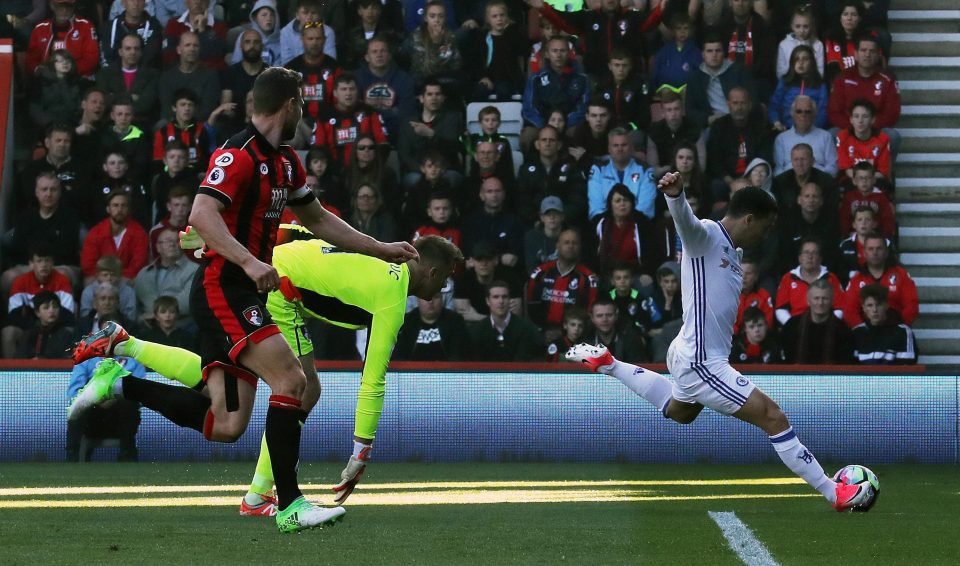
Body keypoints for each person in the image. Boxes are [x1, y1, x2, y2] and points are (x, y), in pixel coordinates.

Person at [68, 67, 418, 533]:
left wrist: (380, 247)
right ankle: (291, 506)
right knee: (293, 381)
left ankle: (119, 383)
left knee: (227, 424)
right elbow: (201, 213)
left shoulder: (287, 162)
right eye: (302, 106)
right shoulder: (238, 155)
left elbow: (318, 219)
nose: (305, 115)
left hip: (242, 289)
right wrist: (251, 263)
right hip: (223, 286)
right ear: (290, 104)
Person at [73, 230, 459, 507]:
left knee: (230, 387)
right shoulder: (393, 297)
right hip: (269, 290)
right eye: (445, 281)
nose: (442, 290)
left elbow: (305, 233)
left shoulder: (381, 256)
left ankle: (127, 346)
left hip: (270, 282)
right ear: (432, 273)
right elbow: (372, 379)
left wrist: (218, 240)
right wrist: (361, 450)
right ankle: (262, 494)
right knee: (278, 394)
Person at [566, 175, 857, 511]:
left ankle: (609, 364)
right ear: (750, 219)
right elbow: (686, 225)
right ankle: (833, 492)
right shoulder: (706, 235)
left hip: (690, 351)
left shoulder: (734, 249)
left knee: (681, 412)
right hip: (703, 361)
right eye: (767, 224)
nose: (768, 232)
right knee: (774, 417)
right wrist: (676, 196)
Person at [3, 244, 76, 358]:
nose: (44, 265)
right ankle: (11, 372)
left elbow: (67, 314)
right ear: (31, 264)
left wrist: (47, 325)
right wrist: (38, 327)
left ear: (52, 263)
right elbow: (14, 316)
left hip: (56, 329)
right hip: (28, 329)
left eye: (47, 260)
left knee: (69, 332)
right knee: (9, 332)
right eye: (39, 261)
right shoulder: (20, 282)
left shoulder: (62, 280)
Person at [66, 356, 144, 462]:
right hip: (91, 418)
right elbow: (74, 393)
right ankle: (72, 457)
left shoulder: (133, 361)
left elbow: (140, 393)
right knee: (77, 407)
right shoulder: (85, 360)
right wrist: (96, 399)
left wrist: (113, 398)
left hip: (120, 418)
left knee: (129, 404)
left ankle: (127, 456)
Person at [526, 228, 599, 338]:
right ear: (558, 245)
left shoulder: (588, 278)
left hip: (574, 337)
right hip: (540, 334)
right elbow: (531, 308)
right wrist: (542, 331)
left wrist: (565, 333)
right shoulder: (540, 273)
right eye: (566, 242)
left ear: (580, 247)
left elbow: (588, 315)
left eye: (574, 243)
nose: (570, 246)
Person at [844, 234, 918, 328]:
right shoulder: (856, 279)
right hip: (867, 334)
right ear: (864, 253)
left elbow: (911, 304)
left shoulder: (901, 275)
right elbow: (850, 310)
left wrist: (900, 327)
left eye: (879, 248)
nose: (875, 252)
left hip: (896, 330)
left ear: (886, 252)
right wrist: (862, 331)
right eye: (871, 249)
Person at [516, 126, 586, 226]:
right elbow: (522, 201)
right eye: (544, 140)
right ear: (537, 144)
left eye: (552, 140)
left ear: (559, 145)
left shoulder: (571, 169)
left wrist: (560, 219)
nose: (547, 143)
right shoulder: (525, 171)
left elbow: (577, 200)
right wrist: (538, 220)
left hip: (565, 224)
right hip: (535, 225)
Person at [684, 34, 756, 130]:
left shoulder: (739, 71)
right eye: (709, 51)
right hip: (711, 125)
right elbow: (690, 111)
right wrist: (708, 119)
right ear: (703, 55)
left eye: (718, 51)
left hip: (739, 122)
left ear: (724, 53)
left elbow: (753, 101)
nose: (714, 55)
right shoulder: (695, 78)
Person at [587, 128, 657, 222]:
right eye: (615, 145)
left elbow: (646, 208)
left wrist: (626, 226)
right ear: (609, 149)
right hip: (606, 226)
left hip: (638, 225)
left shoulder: (645, 170)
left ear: (631, 147)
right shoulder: (598, 170)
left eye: (624, 145)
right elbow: (596, 207)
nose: (620, 149)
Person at [134, 227, 199, 324]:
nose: (172, 244)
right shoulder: (144, 273)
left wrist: (157, 315)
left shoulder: (194, 270)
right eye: (168, 241)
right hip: (147, 327)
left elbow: (187, 303)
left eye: (177, 241)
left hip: (181, 327)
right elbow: (136, 305)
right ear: (158, 247)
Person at [775, 238, 845, 326]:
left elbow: (840, 308)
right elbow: (780, 309)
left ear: (820, 259)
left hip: (825, 325)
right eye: (806, 252)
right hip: (796, 326)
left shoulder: (831, 278)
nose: (810, 257)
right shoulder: (788, 278)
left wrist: (827, 324)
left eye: (814, 253)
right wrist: (792, 325)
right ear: (800, 258)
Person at [780, 280, 854, 364]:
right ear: (808, 300)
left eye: (825, 298)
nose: (820, 303)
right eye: (816, 298)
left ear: (832, 301)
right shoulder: (792, 326)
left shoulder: (842, 330)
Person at [468, 281, 544, 361]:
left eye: (504, 297)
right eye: (496, 297)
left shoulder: (526, 328)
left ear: (509, 300)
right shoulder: (476, 331)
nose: (501, 301)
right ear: (487, 301)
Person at [95, 32, 160, 125]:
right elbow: (105, 101)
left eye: (136, 49)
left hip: (141, 124)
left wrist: (115, 96)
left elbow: (146, 105)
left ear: (141, 52)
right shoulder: (105, 74)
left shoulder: (153, 75)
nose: (133, 52)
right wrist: (130, 97)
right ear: (120, 52)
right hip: (111, 124)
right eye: (128, 48)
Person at [284, 21, 342, 125]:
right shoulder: (290, 68)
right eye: (310, 39)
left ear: (324, 40)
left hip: (329, 122)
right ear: (302, 39)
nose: (314, 43)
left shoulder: (335, 68)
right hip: (299, 123)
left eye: (318, 39)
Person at [26, 0, 100, 78]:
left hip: (77, 78)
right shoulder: (40, 28)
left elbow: (92, 59)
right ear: (52, 6)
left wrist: (67, 70)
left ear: (73, 7)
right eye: (60, 6)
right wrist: (39, 70)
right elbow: (31, 59)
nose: (64, 10)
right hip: (47, 80)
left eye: (68, 6)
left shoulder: (86, 26)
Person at [158, 31, 222, 121]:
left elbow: (208, 108)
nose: (192, 49)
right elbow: (167, 109)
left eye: (195, 46)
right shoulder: (167, 77)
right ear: (179, 50)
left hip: (200, 125)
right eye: (187, 45)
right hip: (173, 125)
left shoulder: (210, 76)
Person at [152, 88, 217, 172]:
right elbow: (158, 160)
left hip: (195, 176)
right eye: (183, 104)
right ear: (174, 108)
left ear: (195, 108)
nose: (187, 108)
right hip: (169, 176)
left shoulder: (202, 130)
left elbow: (208, 158)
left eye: (190, 105)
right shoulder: (162, 132)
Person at [851, 284, 917, 365]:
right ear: (864, 308)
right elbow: (851, 366)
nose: (874, 310)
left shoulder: (903, 332)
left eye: (878, 305)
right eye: (870, 305)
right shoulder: (856, 333)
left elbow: (906, 367)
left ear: (886, 305)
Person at [769, 45, 829, 132]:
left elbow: (823, 110)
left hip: (812, 130)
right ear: (792, 62)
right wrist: (777, 122)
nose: (800, 62)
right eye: (797, 59)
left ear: (812, 62)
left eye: (805, 59)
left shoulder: (820, 84)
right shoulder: (785, 81)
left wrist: (813, 128)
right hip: (786, 129)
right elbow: (774, 105)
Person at [394, 292, 469, 361]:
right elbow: (399, 357)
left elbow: (459, 356)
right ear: (418, 301)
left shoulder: (455, 321)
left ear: (442, 300)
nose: (430, 302)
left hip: (446, 372)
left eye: (436, 297)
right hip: (412, 373)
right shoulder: (407, 322)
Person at [773, 96, 837, 176]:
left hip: (819, 183)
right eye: (799, 111)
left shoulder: (826, 137)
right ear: (792, 114)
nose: (803, 115)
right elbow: (778, 170)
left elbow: (833, 167)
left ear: (814, 115)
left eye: (807, 112)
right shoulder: (781, 139)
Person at [836, 99, 892, 189]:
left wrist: (866, 180)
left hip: (874, 180)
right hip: (851, 180)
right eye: (856, 116)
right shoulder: (843, 137)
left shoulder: (883, 139)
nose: (860, 121)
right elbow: (847, 170)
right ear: (851, 120)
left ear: (872, 119)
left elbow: (882, 173)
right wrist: (861, 181)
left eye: (865, 116)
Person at [100, 0, 163, 68]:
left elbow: (151, 56)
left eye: (140, 0)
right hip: (115, 75)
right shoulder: (110, 27)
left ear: (145, 2)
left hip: (145, 75)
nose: (136, 4)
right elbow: (107, 55)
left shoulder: (155, 27)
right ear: (123, 3)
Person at [840, 161, 896, 238]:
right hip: (853, 236)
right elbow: (844, 219)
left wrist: (884, 236)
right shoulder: (849, 197)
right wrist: (846, 235)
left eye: (868, 178)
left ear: (874, 180)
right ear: (854, 181)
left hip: (876, 237)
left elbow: (887, 219)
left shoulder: (881, 197)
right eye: (860, 178)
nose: (864, 181)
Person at [650, 12, 702, 95]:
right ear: (673, 31)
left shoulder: (695, 52)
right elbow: (656, 70)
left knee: (687, 92)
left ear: (691, 30)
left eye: (686, 28)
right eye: (679, 28)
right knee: (666, 92)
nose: (682, 32)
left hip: (687, 87)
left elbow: (700, 73)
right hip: (667, 86)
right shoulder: (664, 51)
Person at [585, 297, 647, 364]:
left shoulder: (631, 338)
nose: (605, 319)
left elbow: (637, 367)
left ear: (616, 316)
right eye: (599, 316)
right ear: (592, 318)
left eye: (609, 315)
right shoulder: (585, 340)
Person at [16, 290, 74, 360]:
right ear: (37, 312)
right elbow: (20, 360)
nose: (51, 310)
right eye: (46, 307)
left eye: (55, 306)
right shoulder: (29, 335)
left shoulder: (66, 335)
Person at [79, 255, 138, 323]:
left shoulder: (128, 292)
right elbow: (85, 315)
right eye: (105, 275)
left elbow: (131, 316)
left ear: (119, 276)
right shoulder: (88, 292)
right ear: (97, 276)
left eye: (113, 275)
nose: (109, 278)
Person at [775, 6, 825, 79]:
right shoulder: (784, 44)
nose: (802, 30)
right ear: (792, 26)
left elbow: (820, 72)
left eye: (805, 26)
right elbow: (780, 72)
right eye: (798, 26)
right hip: (790, 85)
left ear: (811, 26)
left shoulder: (818, 45)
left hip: (811, 85)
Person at [734, 260, 774, 335]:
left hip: (757, 338)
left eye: (748, 273)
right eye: (740, 272)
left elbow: (768, 322)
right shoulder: (728, 295)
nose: (743, 277)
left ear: (756, 277)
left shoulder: (764, 296)